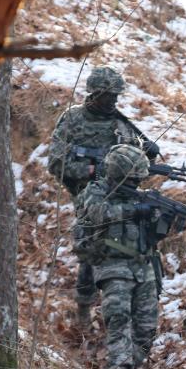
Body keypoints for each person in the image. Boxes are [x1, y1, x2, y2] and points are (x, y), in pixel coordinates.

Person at [47, 66, 159, 328]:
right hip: (87, 197)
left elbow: (136, 162)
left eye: (116, 96)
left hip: (121, 196)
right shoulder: (73, 120)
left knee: (133, 244)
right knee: (89, 250)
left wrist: (148, 154)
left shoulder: (121, 124)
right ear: (94, 94)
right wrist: (91, 170)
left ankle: (126, 309)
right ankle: (84, 307)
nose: (113, 101)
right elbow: (56, 163)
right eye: (109, 96)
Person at [77, 144, 161, 369]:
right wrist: (134, 210)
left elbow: (156, 236)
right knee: (119, 317)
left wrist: (159, 216)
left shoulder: (140, 196)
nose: (136, 184)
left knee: (146, 331)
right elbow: (98, 213)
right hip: (111, 265)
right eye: (132, 179)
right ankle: (119, 368)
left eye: (138, 180)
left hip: (143, 267)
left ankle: (125, 366)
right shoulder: (96, 191)